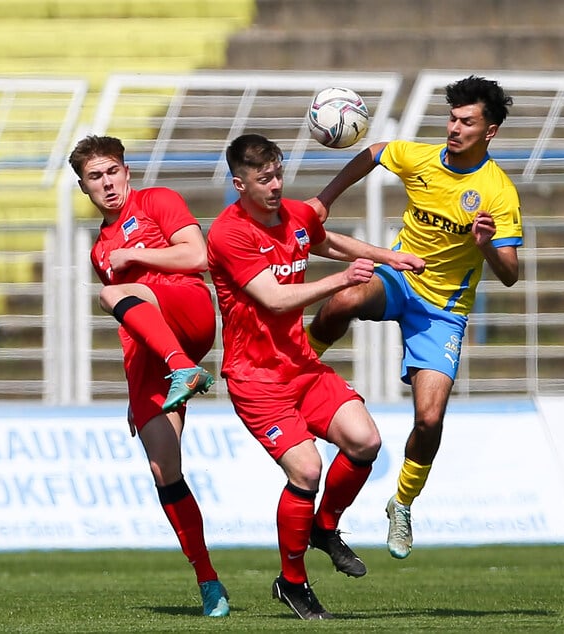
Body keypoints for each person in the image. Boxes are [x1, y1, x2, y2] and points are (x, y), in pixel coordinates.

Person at [304, 75, 524, 560]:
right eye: (452, 118)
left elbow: (509, 274)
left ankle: (401, 503)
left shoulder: (497, 192)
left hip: (444, 312)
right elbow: (375, 151)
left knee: (428, 418)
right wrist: (324, 200)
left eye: (467, 121)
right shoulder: (421, 159)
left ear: (489, 132)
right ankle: (298, 364)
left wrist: (486, 245)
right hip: (401, 277)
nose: (454, 127)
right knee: (342, 299)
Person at [206, 133, 424, 620]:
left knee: (365, 441)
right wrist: (342, 281)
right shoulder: (228, 234)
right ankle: (293, 581)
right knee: (306, 469)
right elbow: (276, 298)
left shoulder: (294, 215)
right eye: (264, 179)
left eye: (279, 174)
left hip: (301, 366)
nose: (276, 185)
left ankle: (326, 526)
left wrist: (392, 258)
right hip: (256, 378)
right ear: (240, 184)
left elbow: (325, 239)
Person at [68, 135, 228, 618]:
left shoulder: (157, 201)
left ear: (127, 171)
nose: (107, 183)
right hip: (153, 348)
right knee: (164, 468)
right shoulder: (100, 249)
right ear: (84, 188)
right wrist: (135, 390)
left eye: (112, 171)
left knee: (110, 296)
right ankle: (208, 581)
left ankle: (184, 367)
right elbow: (134, 319)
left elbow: (196, 257)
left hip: (189, 309)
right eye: (95, 177)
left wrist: (136, 256)